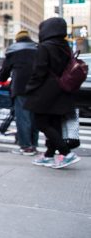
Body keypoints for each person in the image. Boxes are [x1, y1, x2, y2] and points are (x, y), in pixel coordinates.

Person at [25, 17, 80, 169]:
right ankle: (49, 155)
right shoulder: (65, 46)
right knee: (54, 124)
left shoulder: (45, 47)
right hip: (61, 90)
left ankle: (66, 153)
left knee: (41, 122)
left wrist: (29, 88)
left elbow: (39, 70)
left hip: (45, 91)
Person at [0, 30, 39, 155]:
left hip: (20, 87)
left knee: (23, 117)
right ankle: (33, 144)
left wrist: (2, 79)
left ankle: (26, 146)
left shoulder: (13, 50)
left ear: (17, 40)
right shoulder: (37, 48)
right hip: (36, 86)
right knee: (33, 117)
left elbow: (5, 71)